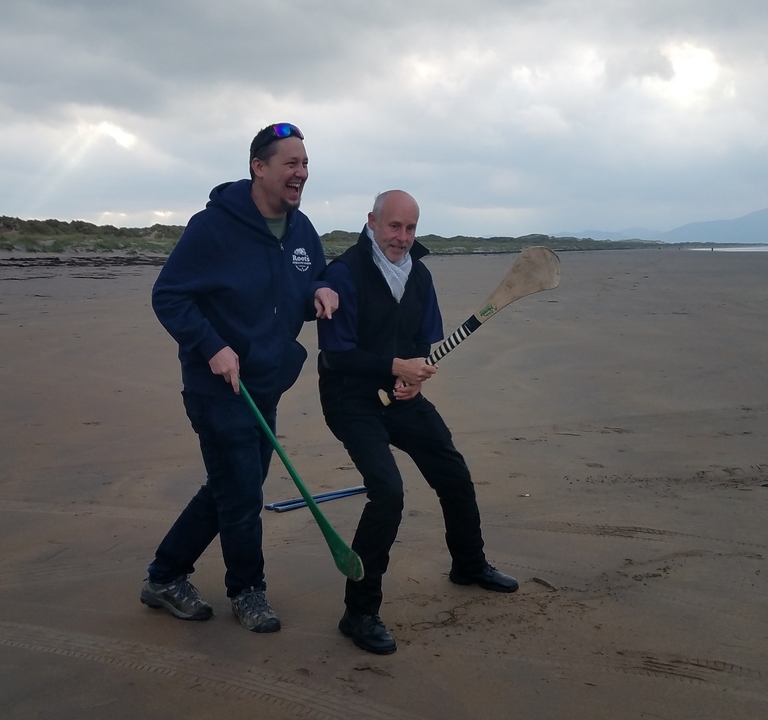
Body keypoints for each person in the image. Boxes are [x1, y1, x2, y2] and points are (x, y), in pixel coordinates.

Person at [141, 123, 338, 633]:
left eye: (305, 163)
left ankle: (164, 575)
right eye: (291, 163)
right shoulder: (213, 227)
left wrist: (322, 291)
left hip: (266, 383)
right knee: (243, 493)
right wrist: (212, 346)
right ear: (259, 167)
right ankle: (249, 592)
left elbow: (315, 275)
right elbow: (169, 296)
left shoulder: (301, 228)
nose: (301, 173)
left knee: (230, 488)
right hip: (218, 386)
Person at [317, 189, 518, 655]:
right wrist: (394, 368)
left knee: (452, 471)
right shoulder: (344, 275)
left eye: (410, 228)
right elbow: (337, 355)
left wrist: (416, 378)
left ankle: (468, 564)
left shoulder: (420, 276)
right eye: (394, 226)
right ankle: (359, 612)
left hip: (403, 396)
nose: (402, 238)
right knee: (388, 491)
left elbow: (423, 346)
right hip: (351, 401)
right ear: (372, 221)